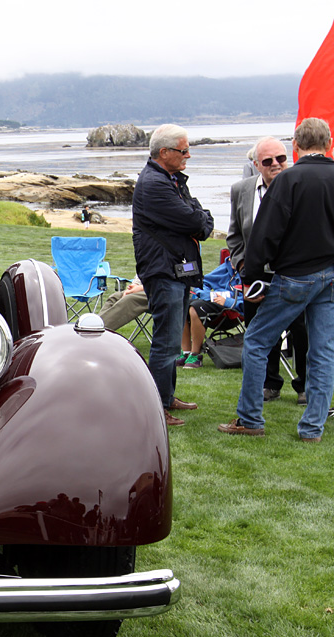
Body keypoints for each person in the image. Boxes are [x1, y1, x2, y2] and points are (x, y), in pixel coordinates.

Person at [219, 118, 334, 442]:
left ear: (295, 146)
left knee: (256, 342)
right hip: (330, 276)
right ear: (328, 144)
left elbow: (264, 235)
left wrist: (253, 279)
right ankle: (312, 428)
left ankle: (250, 418)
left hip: (295, 276)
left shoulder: (289, 181)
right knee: (323, 350)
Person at [132, 123, 214, 427]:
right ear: (164, 152)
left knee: (171, 342)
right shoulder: (155, 184)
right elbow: (191, 218)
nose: (188, 155)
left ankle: (166, 397)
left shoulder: (171, 179)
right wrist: (198, 221)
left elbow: (198, 216)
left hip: (176, 269)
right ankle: (157, 408)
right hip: (163, 270)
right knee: (165, 342)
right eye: (183, 150)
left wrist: (198, 220)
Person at [227, 137, 308, 403]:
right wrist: (242, 267)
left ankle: (305, 385)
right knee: (260, 332)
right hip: (255, 276)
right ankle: (269, 383)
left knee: (301, 331)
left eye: (281, 159)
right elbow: (235, 235)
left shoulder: (302, 185)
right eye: (268, 161)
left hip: (294, 274)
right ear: (256, 165)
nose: (276, 165)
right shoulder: (242, 190)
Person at [177, 258, 242, 368]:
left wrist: (228, 301)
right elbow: (202, 282)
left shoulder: (251, 272)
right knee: (182, 305)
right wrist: (209, 295)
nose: (231, 260)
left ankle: (195, 355)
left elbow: (251, 300)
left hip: (233, 310)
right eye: (231, 256)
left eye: (235, 256)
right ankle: (186, 353)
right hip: (214, 302)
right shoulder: (225, 268)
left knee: (196, 307)